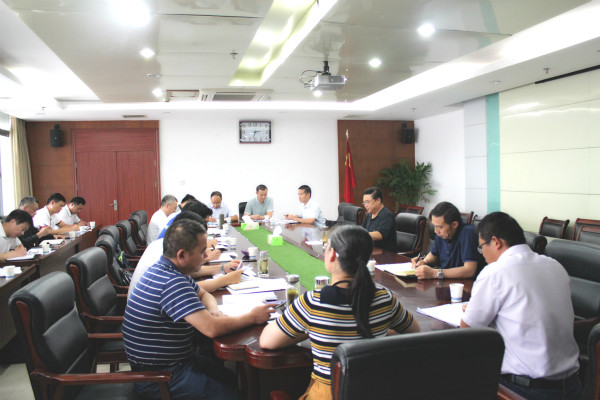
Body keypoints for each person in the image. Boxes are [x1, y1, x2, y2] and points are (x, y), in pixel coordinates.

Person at [260, 225, 420, 400]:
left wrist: (310, 330)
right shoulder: (385, 299)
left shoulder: (313, 302)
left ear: (331, 255)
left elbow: (267, 342)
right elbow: (414, 331)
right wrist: (378, 331)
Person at [123, 218, 274, 400]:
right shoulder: (172, 282)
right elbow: (212, 328)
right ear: (182, 255)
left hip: (173, 362)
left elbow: (203, 294)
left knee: (231, 379)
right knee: (233, 395)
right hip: (159, 377)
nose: (205, 257)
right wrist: (252, 317)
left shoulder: (166, 269)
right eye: (202, 252)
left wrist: (213, 311)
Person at [461, 212, 581, 400]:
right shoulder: (556, 266)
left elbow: (467, 330)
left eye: (481, 247)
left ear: (496, 242)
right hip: (573, 385)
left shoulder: (495, 272)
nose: (482, 254)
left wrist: (472, 310)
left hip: (524, 390)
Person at [128, 211, 243, 298]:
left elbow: (191, 273)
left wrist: (223, 268)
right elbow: (186, 289)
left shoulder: (166, 245)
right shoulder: (165, 255)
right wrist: (226, 280)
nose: (205, 255)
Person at [411, 201, 480, 279]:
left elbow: (469, 270)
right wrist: (424, 261)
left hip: (462, 284)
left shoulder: (468, 232)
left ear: (454, 224)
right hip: (444, 281)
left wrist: (434, 273)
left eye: (439, 227)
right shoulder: (442, 233)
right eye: (434, 226)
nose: (436, 231)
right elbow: (434, 254)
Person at [361, 187, 396, 252]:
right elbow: (363, 230)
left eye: (368, 202)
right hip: (371, 250)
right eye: (364, 203)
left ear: (378, 200)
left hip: (386, 254)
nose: (365, 205)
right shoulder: (369, 215)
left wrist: (359, 234)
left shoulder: (387, 215)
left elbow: (379, 235)